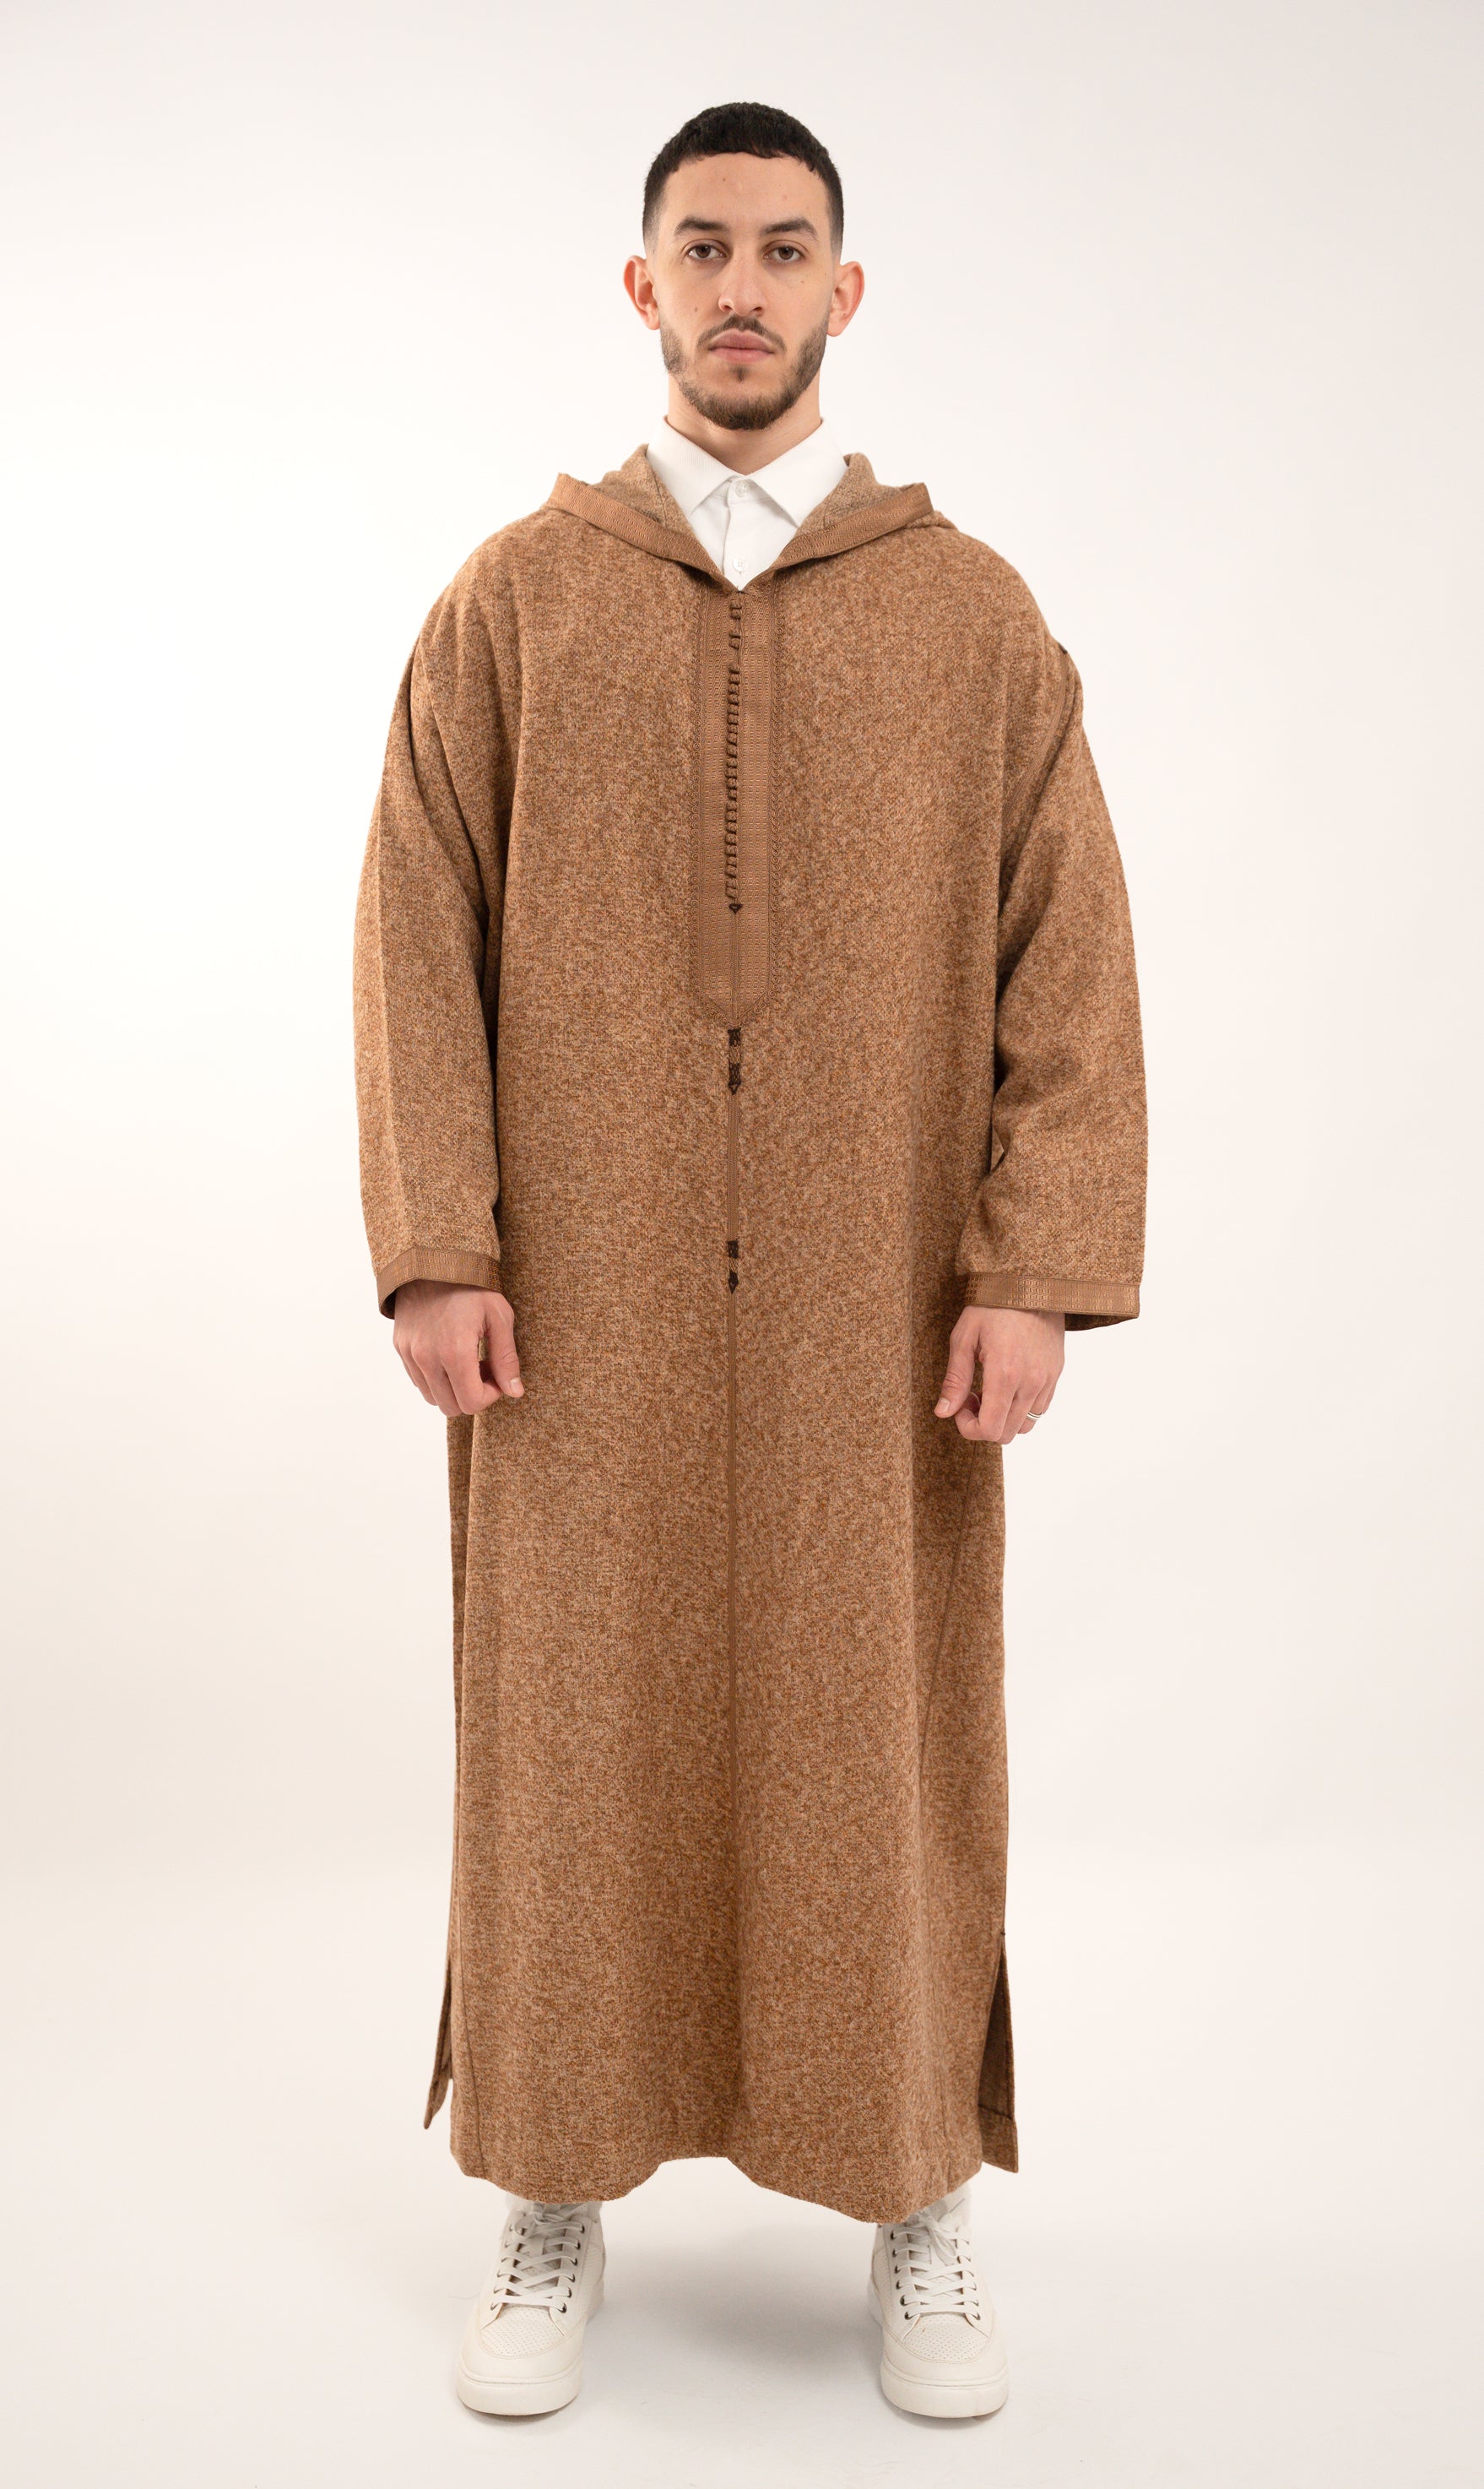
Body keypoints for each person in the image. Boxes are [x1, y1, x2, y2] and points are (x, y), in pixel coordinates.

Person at [353, 99, 1146, 2423]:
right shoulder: (516, 602)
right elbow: (415, 934)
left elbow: (1071, 958)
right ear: (643, 286)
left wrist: (1033, 1261)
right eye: (702, 247)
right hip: (571, 1310)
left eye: (785, 250)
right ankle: (550, 2179)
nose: (742, 287)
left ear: (843, 292)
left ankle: (917, 2188)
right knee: (566, 1730)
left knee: (885, 1729)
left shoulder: (970, 621)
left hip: (874, 1313)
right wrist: (436, 1241)